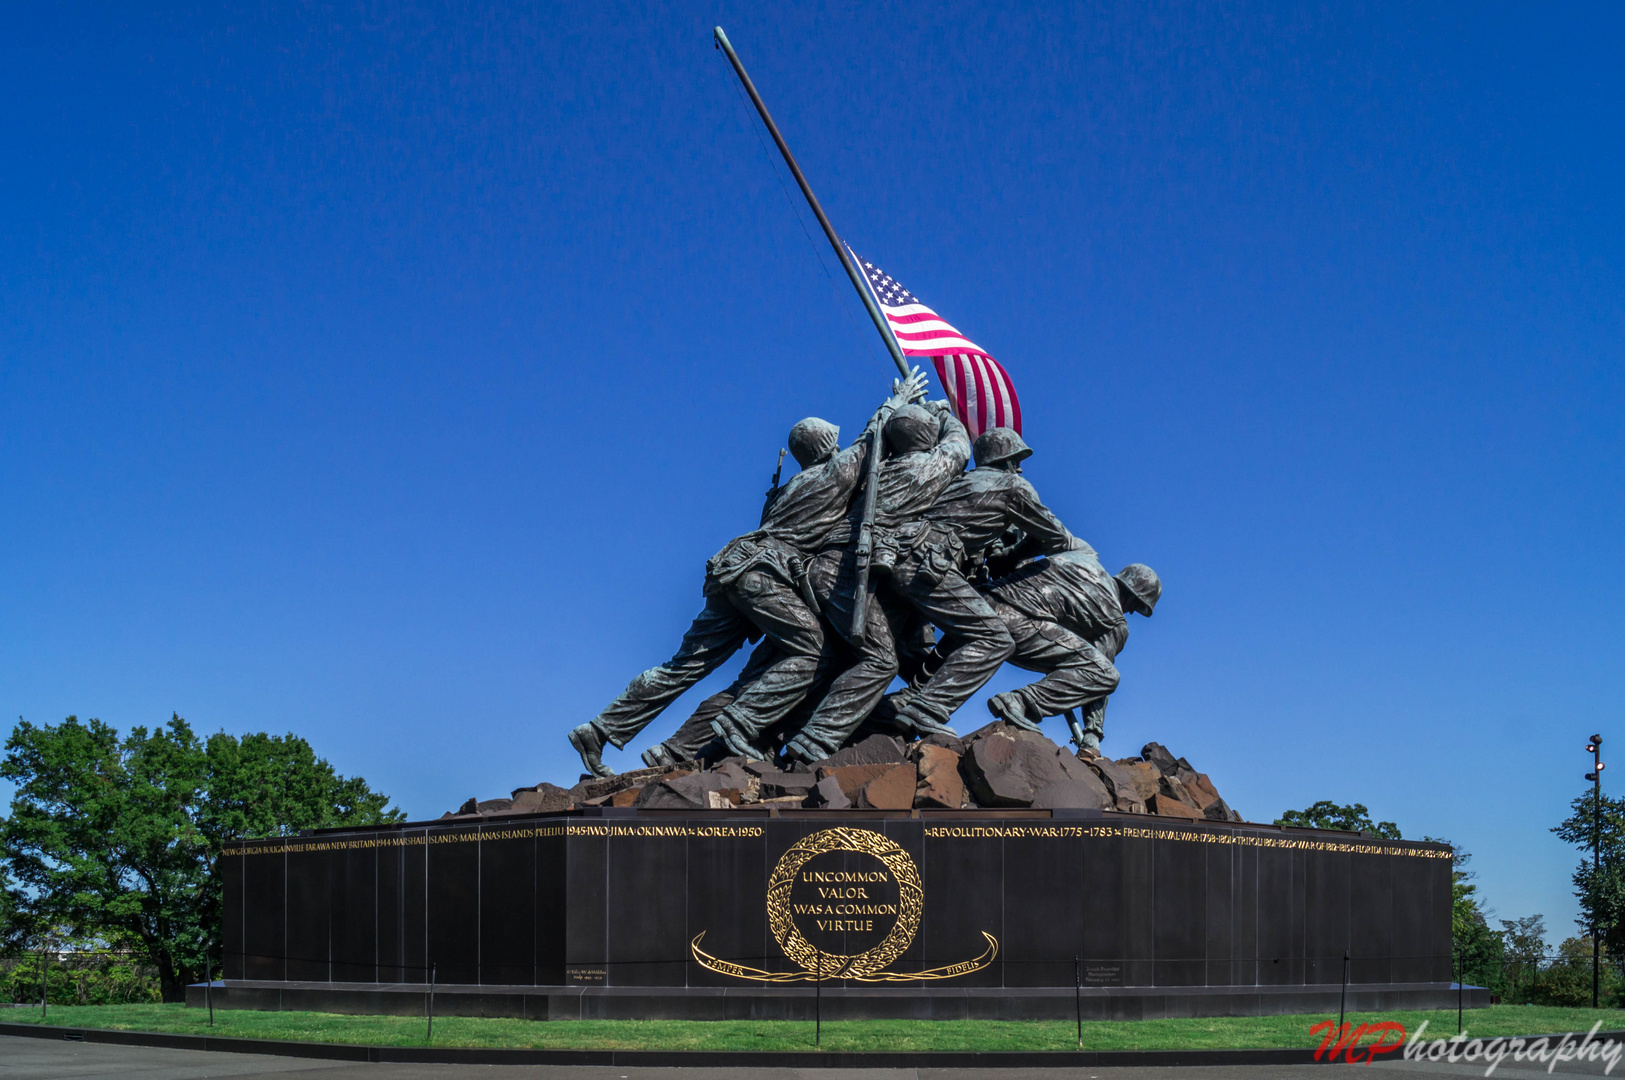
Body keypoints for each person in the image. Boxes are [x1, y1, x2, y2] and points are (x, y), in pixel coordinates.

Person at [568, 372, 926, 777]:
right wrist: (898, 401)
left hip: (731, 570)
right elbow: (873, 438)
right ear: (828, 445)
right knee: (813, 651)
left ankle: (600, 729)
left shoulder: (790, 488)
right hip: (762, 575)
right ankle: (742, 724)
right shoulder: (836, 474)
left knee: (683, 666)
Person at [754, 401, 971, 764]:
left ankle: (788, 728)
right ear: (928, 438)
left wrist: (896, 413)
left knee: (841, 657)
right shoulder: (928, 469)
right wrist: (945, 412)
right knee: (881, 661)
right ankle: (813, 739)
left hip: (825, 569)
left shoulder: (872, 472)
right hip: (847, 571)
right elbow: (959, 448)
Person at [878, 426, 1079, 738]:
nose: (1021, 468)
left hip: (896, 560)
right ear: (1004, 460)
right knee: (995, 639)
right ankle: (925, 710)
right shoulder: (1013, 486)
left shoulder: (958, 482)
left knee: (906, 653)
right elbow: (1056, 537)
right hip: (929, 564)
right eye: (1017, 459)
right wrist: (1014, 557)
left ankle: (880, 714)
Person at [980, 544, 1161, 754]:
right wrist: (1093, 733)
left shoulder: (1083, 559)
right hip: (1018, 625)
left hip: (982, 601)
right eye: (1136, 606)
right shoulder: (1115, 619)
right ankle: (1021, 702)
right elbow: (1098, 673)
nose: (1131, 612)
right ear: (1131, 596)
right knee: (1106, 674)